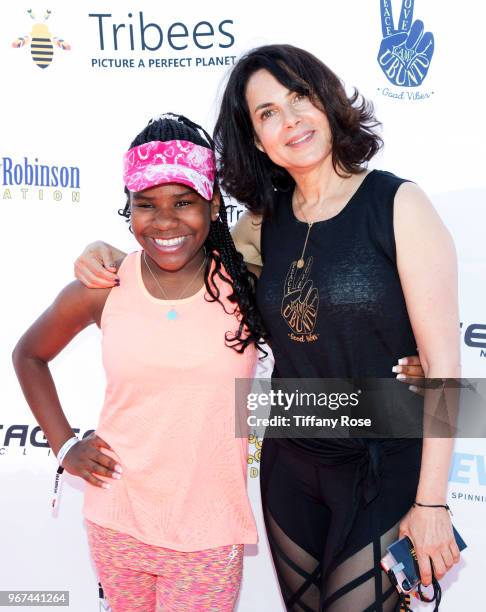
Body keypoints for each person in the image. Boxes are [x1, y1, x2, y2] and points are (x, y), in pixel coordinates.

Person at [73, 45, 459, 612]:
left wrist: (431, 506)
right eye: (267, 113)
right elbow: (179, 255)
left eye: (299, 97)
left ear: (327, 102)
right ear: (257, 139)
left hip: (383, 462)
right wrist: (99, 249)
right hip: (291, 464)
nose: (291, 119)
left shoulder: (398, 204)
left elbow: (447, 370)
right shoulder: (261, 224)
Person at [12, 114, 266, 612]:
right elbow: (28, 355)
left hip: (208, 532)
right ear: (128, 209)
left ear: (213, 204)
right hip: (117, 519)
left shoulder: (248, 289)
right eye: (145, 205)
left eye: (184, 202)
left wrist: (410, 372)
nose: (165, 222)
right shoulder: (102, 288)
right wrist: (65, 446)